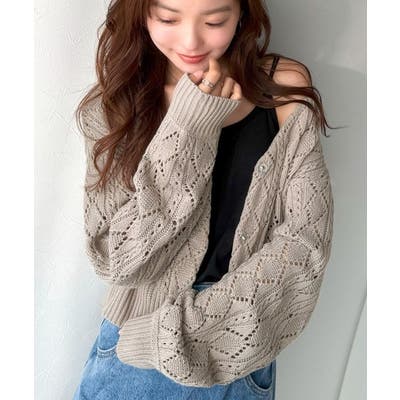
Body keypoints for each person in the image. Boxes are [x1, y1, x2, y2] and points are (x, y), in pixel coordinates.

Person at [72, 0, 334, 399]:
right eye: (168, 18)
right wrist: (191, 124)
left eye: (214, 20)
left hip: (235, 350)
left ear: (242, 13)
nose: (191, 41)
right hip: (133, 358)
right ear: (141, 13)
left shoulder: (282, 86)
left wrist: (177, 337)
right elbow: (116, 257)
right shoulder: (115, 105)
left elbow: (305, 247)